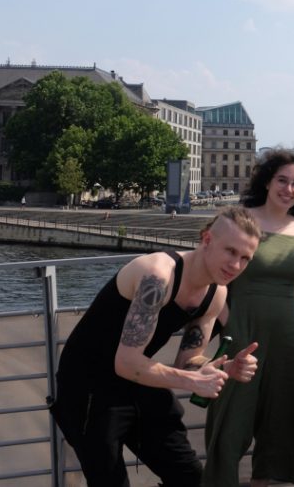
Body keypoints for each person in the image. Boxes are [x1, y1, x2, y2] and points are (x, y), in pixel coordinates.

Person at [49, 206, 262, 487]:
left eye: (245, 258)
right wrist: (193, 381)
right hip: (87, 388)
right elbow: (125, 362)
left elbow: (188, 360)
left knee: (189, 477)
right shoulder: (158, 276)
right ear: (207, 240)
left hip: (137, 380)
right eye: (230, 251)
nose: (236, 265)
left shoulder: (215, 295)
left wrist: (223, 367)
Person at [203, 150, 294, 486]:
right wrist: (229, 321)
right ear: (268, 181)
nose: (289, 188)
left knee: (279, 429)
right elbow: (210, 275)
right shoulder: (239, 219)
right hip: (242, 332)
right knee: (230, 422)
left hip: (288, 338)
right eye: (282, 179)